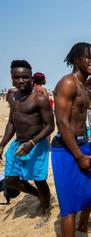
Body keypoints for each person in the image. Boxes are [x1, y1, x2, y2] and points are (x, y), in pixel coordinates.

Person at [51, 42, 91, 237]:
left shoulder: (86, 88)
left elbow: (83, 121)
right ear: (76, 59)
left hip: (84, 145)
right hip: (65, 150)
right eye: (88, 57)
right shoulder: (67, 83)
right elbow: (62, 122)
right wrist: (79, 156)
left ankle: (83, 225)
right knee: (70, 205)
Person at [0, 60, 54, 226]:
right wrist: (2, 144)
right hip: (18, 143)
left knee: (39, 180)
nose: (21, 80)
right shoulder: (11, 95)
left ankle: (45, 211)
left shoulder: (39, 98)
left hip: (36, 144)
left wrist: (32, 142)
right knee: (10, 180)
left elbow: (50, 126)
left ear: (31, 78)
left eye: (25, 77)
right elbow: (12, 122)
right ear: (11, 78)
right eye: (17, 77)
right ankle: (39, 195)